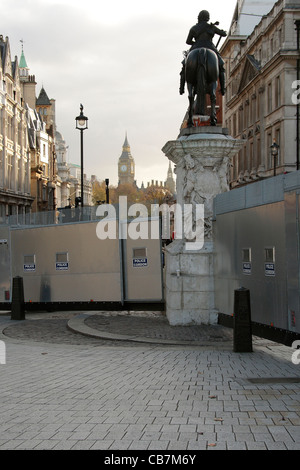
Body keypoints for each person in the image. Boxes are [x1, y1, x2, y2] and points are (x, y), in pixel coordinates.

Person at [180, 10, 227, 96]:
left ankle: (182, 88)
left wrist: (195, 43)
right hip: (210, 47)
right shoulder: (211, 27)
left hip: (196, 46)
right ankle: (223, 89)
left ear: (199, 17)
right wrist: (221, 31)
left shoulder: (193, 28)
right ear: (207, 18)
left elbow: (188, 41)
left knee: (184, 65)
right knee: (221, 65)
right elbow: (223, 34)